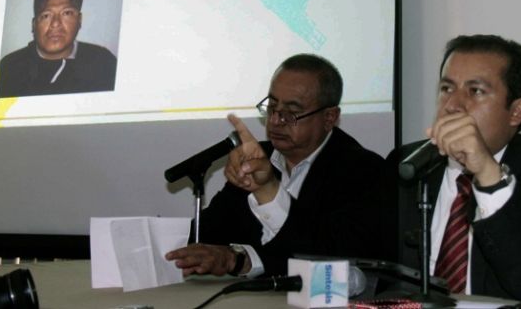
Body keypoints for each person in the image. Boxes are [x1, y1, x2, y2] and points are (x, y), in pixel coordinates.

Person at [388, 34, 521, 304]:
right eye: (447, 88)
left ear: (517, 111)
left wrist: (489, 177)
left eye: (475, 91)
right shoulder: (408, 164)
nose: (452, 105)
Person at [166, 54, 394, 277]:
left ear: (329, 118)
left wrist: (242, 259)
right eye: (272, 107)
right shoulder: (258, 158)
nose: (275, 121)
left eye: (291, 113)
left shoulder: (363, 171)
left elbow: (336, 259)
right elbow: (207, 237)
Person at [0, 0, 118, 98]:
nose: (55, 23)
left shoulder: (103, 63)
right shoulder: (9, 68)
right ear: (34, 25)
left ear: (79, 20)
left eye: (67, 13)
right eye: (46, 15)